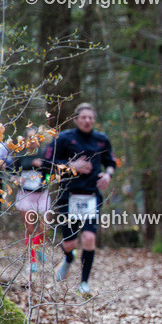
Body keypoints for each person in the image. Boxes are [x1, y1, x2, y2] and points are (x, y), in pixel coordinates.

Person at [45, 103, 117, 295]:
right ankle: (68, 258)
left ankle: (84, 283)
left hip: (91, 197)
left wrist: (108, 175)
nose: (87, 121)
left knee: (89, 238)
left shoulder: (101, 140)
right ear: (76, 119)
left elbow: (111, 163)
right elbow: (47, 163)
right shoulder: (65, 138)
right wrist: (71, 165)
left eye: (90, 118)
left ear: (94, 120)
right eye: (83, 117)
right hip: (69, 197)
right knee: (69, 243)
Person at [11, 127, 52, 272]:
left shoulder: (44, 154)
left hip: (42, 194)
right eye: (30, 138)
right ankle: (32, 260)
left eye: (35, 137)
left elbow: (51, 173)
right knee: (29, 229)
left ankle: (38, 246)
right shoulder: (20, 155)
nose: (32, 140)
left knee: (44, 228)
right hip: (25, 195)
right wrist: (16, 179)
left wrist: (44, 168)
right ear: (26, 140)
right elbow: (12, 172)